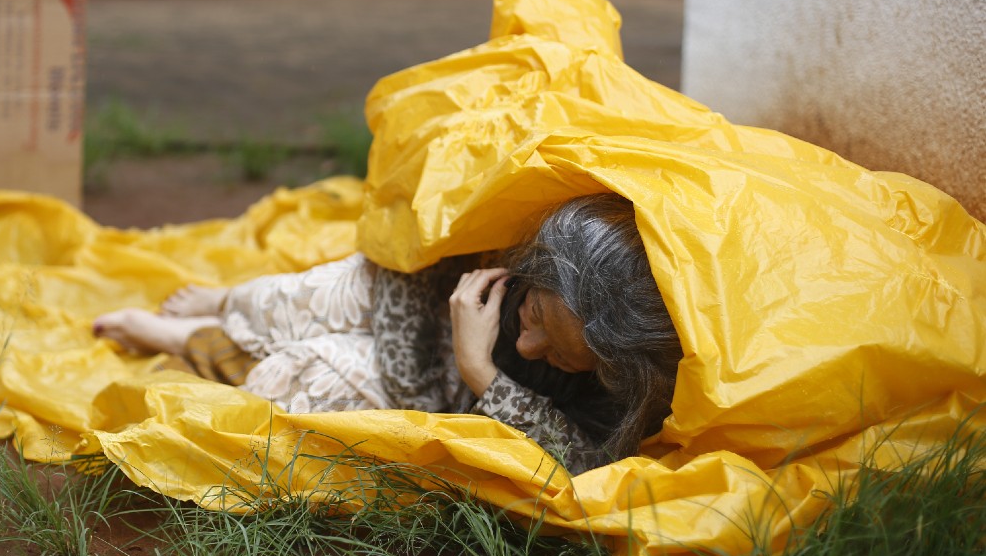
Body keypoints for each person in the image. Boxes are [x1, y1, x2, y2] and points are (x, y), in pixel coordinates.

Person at [92, 193, 682, 475]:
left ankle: (192, 339)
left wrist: (481, 371)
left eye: (559, 355)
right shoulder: (537, 248)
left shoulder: (630, 374)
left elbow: (592, 466)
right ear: (536, 264)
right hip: (410, 291)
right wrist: (439, 305)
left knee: (294, 378)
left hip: (434, 397)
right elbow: (424, 242)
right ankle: (226, 305)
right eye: (535, 318)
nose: (531, 348)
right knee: (291, 302)